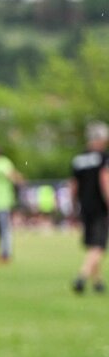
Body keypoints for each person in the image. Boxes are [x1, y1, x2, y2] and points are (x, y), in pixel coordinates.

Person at [69, 121, 109, 294]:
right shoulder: (102, 157)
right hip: (100, 206)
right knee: (99, 245)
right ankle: (82, 276)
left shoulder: (78, 159)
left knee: (92, 243)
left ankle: (98, 282)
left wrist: (73, 204)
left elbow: (73, 185)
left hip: (84, 206)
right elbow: (105, 180)